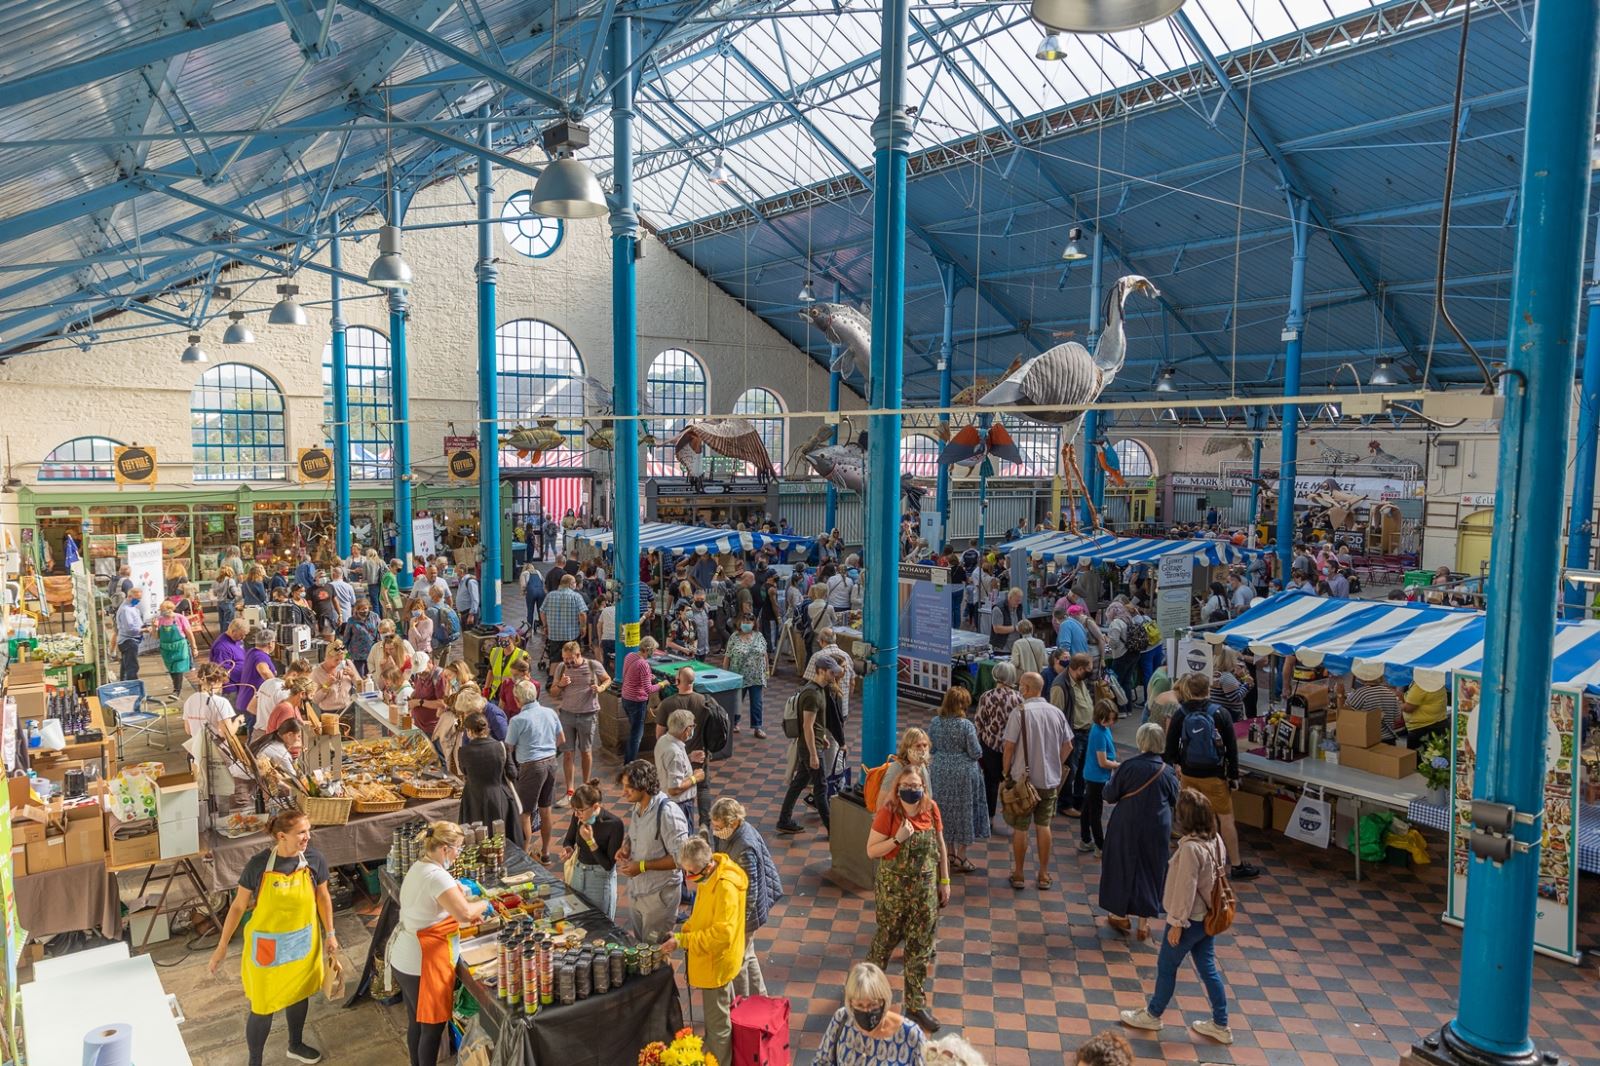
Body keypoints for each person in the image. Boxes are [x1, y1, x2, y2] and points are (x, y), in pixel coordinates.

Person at [206, 809, 332, 1066]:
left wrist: (330, 933)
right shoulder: (259, 865)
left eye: (308, 831)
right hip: (267, 949)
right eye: (301, 833)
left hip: (301, 942)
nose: (307, 837)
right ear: (281, 836)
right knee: (262, 1006)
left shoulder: (314, 860)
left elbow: (322, 896)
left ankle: (295, 1044)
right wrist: (222, 946)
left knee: (299, 994)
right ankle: (255, 1061)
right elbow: (239, 907)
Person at [1119, 789, 1234, 1046]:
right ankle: (1220, 1023)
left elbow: (1185, 889)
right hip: (1206, 918)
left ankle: (1153, 1014)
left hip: (1189, 919)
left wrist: (1177, 924)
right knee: (1208, 968)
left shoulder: (1191, 850)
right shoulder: (1215, 840)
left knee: (1166, 967)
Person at [388, 822, 490, 1066]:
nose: (459, 855)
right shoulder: (437, 877)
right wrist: (485, 904)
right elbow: (465, 914)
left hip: (405, 958)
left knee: (416, 1022)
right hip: (423, 963)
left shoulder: (420, 866)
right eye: (458, 849)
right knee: (432, 1029)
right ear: (445, 849)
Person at [865, 765, 949, 1033]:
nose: (912, 791)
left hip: (924, 895)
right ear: (897, 788)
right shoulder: (889, 812)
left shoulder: (931, 808)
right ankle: (867, 997)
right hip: (894, 894)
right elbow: (871, 850)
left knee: (920, 949)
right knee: (884, 943)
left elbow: (940, 844)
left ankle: (915, 1004)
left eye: (916, 786)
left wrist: (944, 880)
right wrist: (897, 839)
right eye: (907, 787)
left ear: (923, 787)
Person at [1163, 672, 1261, 880]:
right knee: (1225, 819)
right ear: (1208, 690)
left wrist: (1177, 765)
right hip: (1215, 777)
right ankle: (1235, 864)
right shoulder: (1220, 713)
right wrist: (1233, 775)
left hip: (1189, 775)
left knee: (1191, 817)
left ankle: (1193, 861)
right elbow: (1231, 748)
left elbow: (1170, 747)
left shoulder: (1181, 713)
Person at [662, 836, 748, 1066]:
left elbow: (722, 934)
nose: (688, 878)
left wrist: (684, 940)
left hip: (716, 964)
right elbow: (700, 915)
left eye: (690, 872)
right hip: (713, 962)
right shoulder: (711, 878)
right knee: (721, 1016)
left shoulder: (725, 888)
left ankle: (719, 1061)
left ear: (706, 865)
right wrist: (684, 932)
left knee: (718, 1026)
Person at [1101, 722, 1181, 940]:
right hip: (1157, 826)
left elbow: (1110, 795)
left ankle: (1119, 913)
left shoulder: (1128, 766)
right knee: (1152, 868)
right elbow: (1175, 799)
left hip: (1127, 822)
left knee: (1120, 864)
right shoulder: (1167, 771)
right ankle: (1143, 923)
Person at [1003, 672, 1074, 890]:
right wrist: (1055, 764)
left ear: (1026, 688)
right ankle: (1043, 874)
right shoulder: (1056, 713)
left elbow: (1009, 747)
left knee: (1021, 827)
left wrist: (1006, 773)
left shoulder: (1019, 713)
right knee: (1044, 825)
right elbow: (1068, 745)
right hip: (1048, 781)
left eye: (1020, 686)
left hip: (1023, 781)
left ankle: (1019, 874)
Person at [708, 797, 782, 997]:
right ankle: (761, 997)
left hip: (746, 913)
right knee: (748, 955)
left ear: (733, 823)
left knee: (738, 959)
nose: (715, 831)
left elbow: (751, 892)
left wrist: (738, 922)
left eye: (718, 826)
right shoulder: (736, 831)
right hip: (745, 908)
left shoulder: (744, 847)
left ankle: (744, 1002)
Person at [615, 760, 690, 944]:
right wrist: (626, 847)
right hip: (638, 891)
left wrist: (641, 866)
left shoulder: (668, 813)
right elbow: (636, 834)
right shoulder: (637, 807)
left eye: (629, 788)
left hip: (659, 896)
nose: (624, 793)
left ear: (644, 787)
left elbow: (681, 858)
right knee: (642, 948)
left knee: (657, 952)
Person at [775, 657, 843, 834]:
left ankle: (784, 820)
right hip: (810, 748)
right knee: (821, 788)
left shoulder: (819, 690)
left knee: (798, 784)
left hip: (813, 744)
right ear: (821, 671)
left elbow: (815, 725)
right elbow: (807, 725)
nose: (834, 675)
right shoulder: (812, 694)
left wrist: (822, 738)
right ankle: (833, 830)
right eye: (831, 672)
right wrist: (813, 754)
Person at [816, 961, 927, 1063]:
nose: (866, 1011)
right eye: (859, 1005)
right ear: (850, 1003)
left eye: (873, 1004)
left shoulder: (911, 1036)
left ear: (884, 1000)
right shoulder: (842, 1018)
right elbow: (822, 1061)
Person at [928, 686, 988, 873]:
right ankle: (962, 856)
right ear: (962, 704)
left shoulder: (935, 722)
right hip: (964, 773)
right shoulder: (966, 726)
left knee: (943, 811)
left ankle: (949, 852)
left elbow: (931, 748)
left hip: (939, 771)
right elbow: (976, 752)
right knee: (964, 811)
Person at [550, 641, 611, 807]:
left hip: (588, 714)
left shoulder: (593, 665)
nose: (567, 662)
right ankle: (570, 791)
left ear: (578, 655)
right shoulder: (562, 668)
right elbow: (553, 693)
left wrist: (600, 688)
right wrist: (561, 685)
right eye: (565, 659)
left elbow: (607, 679)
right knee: (568, 752)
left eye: (570, 659)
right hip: (567, 714)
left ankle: (586, 787)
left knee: (586, 751)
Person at [506, 685, 563, 857]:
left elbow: (509, 748)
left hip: (531, 766)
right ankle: (545, 852)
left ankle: (524, 854)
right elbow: (561, 739)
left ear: (517, 700)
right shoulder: (550, 712)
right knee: (546, 809)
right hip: (551, 762)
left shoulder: (517, 720)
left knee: (525, 812)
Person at [561, 778, 624, 919]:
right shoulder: (578, 817)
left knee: (600, 924)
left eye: (580, 810)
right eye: (574, 810)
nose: (577, 814)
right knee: (576, 920)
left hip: (599, 878)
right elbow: (569, 839)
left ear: (595, 807)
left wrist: (590, 841)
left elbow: (608, 865)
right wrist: (568, 848)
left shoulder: (614, 824)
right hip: (578, 873)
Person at [457, 711, 523, 847]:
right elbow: (512, 773)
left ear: (469, 731)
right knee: (501, 838)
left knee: (474, 840)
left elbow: (464, 772)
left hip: (473, 799)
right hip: (498, 798)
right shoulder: (501, 747)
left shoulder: (463, 752)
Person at [973, 661, 1022, 822]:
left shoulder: (987, 696)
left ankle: (990, 817)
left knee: (990, 782)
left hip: (990, 746)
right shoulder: (1019, 698)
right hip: (1012, 746)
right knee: (1011, 782)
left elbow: (979, 722)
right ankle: (1012, 816)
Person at [1050, 653, 1095, 817]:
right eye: (1089, 669)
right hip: (1072, 734)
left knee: (1083, 769)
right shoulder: (1060, 685)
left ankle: (1078, 799)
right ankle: (1065, 803)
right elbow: (1056, 715)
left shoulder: (1080, 680)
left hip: (1086, 732)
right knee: (1070, 769)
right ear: (1080, 669)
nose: (1091, 672)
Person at [1080, 698, 1120, 854]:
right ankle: (1100, 846)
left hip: (1094, 775)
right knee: (1095, 813)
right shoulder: (1099, 732)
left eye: (1112, 719)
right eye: (1108, 719)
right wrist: (1117, 765)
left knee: (1088, 809)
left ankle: (1085, 840)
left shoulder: (1102, 729)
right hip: (1097, 777)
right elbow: (1102, 762)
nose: (1111, 722)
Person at [655, 708, 703, 833]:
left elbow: (670, 766)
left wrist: (689, 757)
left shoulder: (664, 740)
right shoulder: (674, 752)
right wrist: (695, 778)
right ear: (687, 730)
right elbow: (674, 788)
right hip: (680, 805)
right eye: (692, 726)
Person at [618, 636, 665, 764]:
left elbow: (628, 675)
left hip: (625, 698)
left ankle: (629, 760)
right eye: (653, 650)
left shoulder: (630, 656)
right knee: (636, 736)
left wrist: (648, 676)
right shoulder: (644, 664)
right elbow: (649, 689)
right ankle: (629, 763)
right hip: (637, 702)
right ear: (648, 650)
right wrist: (662, 684)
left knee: (633, 730)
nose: (654, 653)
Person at [724, 611, 769, 735]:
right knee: (736, 701)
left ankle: (757, 727)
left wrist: (766, 671)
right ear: (740, 623)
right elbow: (727, 656)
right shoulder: (734, 637)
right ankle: (734, 723)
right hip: (738, 675)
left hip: (756, 676)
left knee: (757, 702)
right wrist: (725, 674)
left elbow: (764, 654)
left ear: (754, 623)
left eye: (749, 622)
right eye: (744, 622)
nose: (746, 624)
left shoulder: (759, 636)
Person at [1343, 662, 1403, 742]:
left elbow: (1345, 714)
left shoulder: (1361, 693)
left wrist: (1340, 695)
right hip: (1389, 739)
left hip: (1369, 739)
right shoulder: (1390, 693)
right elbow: (1397, 718)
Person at [539, 575, 588, 672]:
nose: (575, 585)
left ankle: (552, 680)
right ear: (570, 584)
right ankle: (571, 677)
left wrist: (545, 626)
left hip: (554, 635)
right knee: (572, 658)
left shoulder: (550, 595)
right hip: (571, 635)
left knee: (555, 660)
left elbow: (542, 611)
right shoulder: (576, 596)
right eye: (574, 583)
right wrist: (583, 627)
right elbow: (582, 614)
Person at [155, 598, 197, 697]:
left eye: (162, 610)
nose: (161, 612)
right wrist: (154, 627)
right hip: (166, 649)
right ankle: (176, 688)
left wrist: (194, 648)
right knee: (171, 668)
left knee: (178, 668)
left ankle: (176, 691)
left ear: (170, 609)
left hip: (180, 647)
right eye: (160, 610)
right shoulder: (160, 620)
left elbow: (189, 634)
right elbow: (156, 636)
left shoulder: (180, 618)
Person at [1400, 679, 1449, 749]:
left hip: (1423, 728)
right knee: (1437, 757)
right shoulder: (1436, 681)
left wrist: (1397, 705)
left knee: (1418, 758)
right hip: (1438, 723)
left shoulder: (1421, 684)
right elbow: (1416, 699)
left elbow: (1409, 708)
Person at [339, 599, 380, 677]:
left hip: (372, 650)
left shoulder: (374, 617)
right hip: (357, 653)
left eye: (365, 608)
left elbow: (379, 630)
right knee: (359, 675)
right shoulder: (351, 620)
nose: (364, 611)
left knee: (370, 675)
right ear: (357, 610)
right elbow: (346, 636)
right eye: (362, 609)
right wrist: (345, 650)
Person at [114, 586, 147, 681]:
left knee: (125, 666)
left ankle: (125, 684)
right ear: (129, 597)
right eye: (137, 599)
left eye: (140, 599)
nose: (138, 601)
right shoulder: (126, 610)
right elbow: (130, 629)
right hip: (129, 641)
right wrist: (144, 630)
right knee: (132, 667)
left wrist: (143, 626)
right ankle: (133, 688)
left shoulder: (132, 608)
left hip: (130, 640)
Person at [991, 587, 1025, 653]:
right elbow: (997, 629)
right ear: (1010, 598)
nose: (1019, 603)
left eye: (1020, 600)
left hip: (1016, 647)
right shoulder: (998, 609)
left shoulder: (1019, 607)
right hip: (1002, 648)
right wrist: (1015, 628)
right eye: (1017, 600)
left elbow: (1023, 622)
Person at [213, 565, 241, 631]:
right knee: (228, 623)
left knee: (222, 622)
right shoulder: (230, 580)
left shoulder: (217, 581)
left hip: (219, 603)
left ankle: (222, 637)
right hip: (228, 603)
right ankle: (227, 638)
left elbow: (214, 593)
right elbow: (235, 593)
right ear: (230, 572)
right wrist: (239, 588)